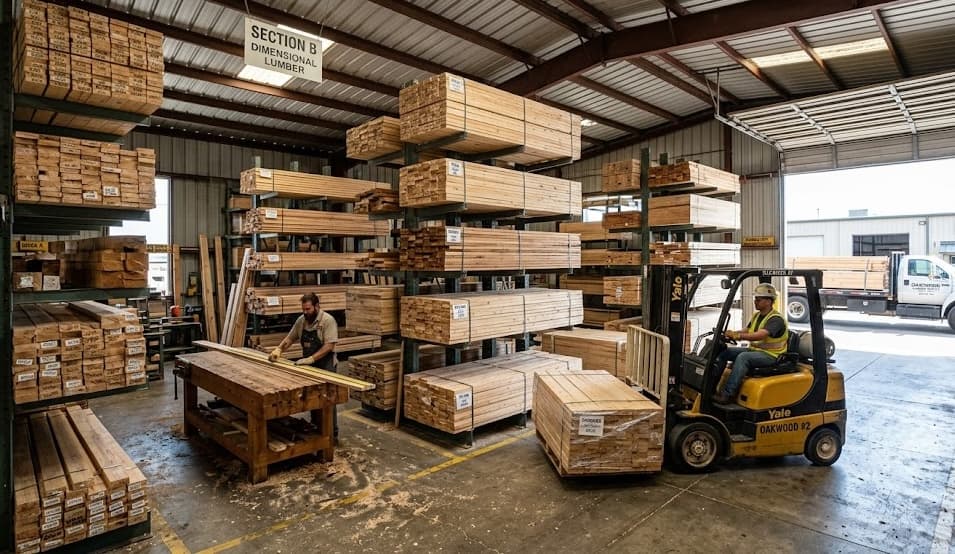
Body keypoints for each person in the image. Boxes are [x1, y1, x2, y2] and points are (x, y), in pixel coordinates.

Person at [269, 293, 339, 436]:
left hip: (326, 365)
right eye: (303, 309)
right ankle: (317, 429)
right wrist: (279, 349)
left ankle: (331, 433)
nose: (305, 312)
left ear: (317, 306)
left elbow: (329, 346)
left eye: (308, 309)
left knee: (327, 400)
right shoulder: (301, 321)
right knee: (313, 397)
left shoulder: (327, 321)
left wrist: (311, 358)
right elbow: (290, 338)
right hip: (310, 366)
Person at [712, 283, 789, 404]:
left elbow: (760, 335)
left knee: (743, 357)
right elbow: (748, 330)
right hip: (757, 351)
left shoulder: (776, 319)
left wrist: (739, 336)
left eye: (759, 299)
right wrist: (732, 333)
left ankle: (728, 395)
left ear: (769, 301)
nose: (755, 301)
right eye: (755, 299)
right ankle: (710, 388)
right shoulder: (757, 315)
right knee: (725, 352)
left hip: (772, 355)